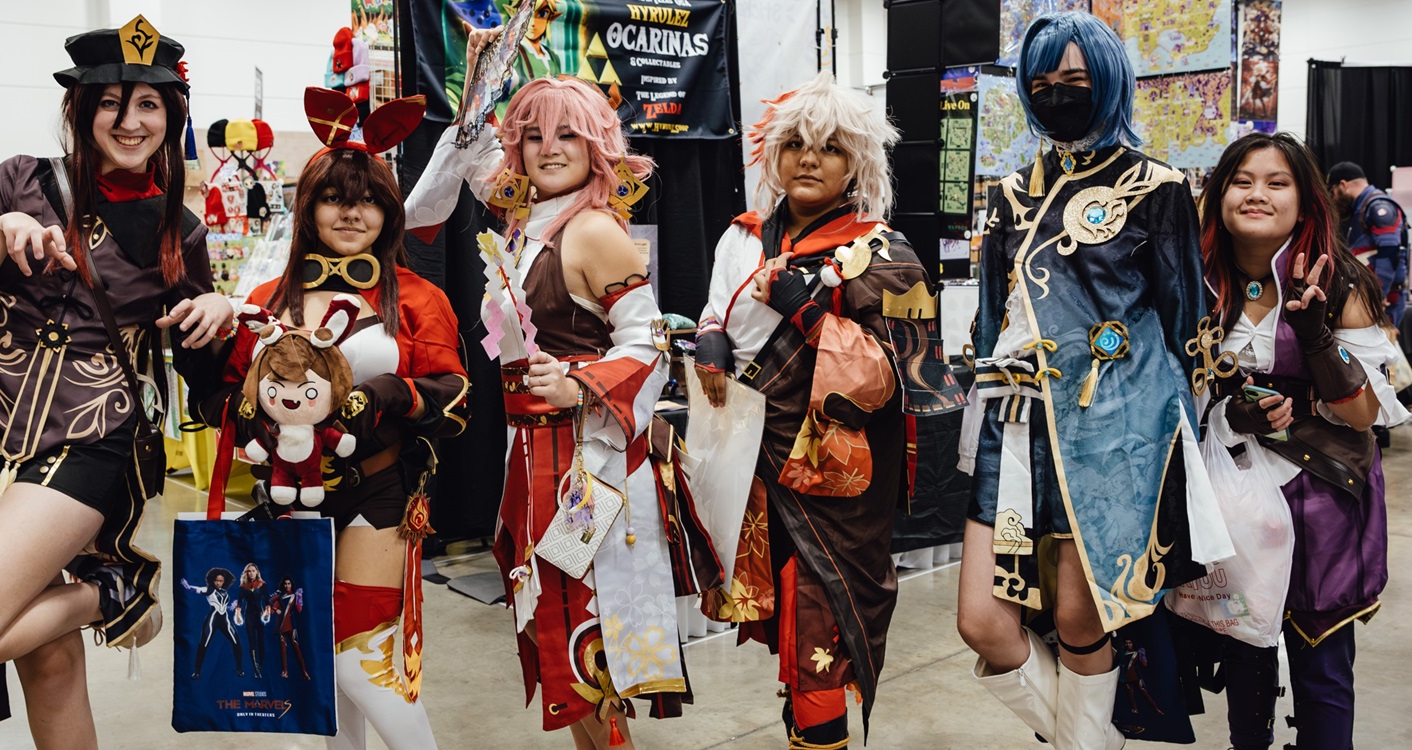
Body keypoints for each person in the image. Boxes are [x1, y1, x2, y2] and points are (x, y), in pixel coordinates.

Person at [0, 16, 230, 749]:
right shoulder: (21, 180)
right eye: (111, 101)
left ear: (171, 115)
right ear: (80, 109)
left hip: (89, 449)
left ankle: (108, 592)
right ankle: (85, 605)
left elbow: (208, 382)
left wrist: (221, 315)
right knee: (49, 663)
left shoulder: (182, 233)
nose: (129, 121)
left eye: (148, 104)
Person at [404, 32, 722, 747]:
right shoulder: (525, 221)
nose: (550, 148)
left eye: (570, 135)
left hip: (590, 461)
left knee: (592, 637)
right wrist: (482, 80)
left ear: (597, 146)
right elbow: (451, 172)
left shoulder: (592, 233)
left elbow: (650, 343)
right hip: (534, 458)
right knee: (558, 633)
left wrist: (581, 382)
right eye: (534, 135)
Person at [954, 12, 1216, 749]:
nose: (1058, 95)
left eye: (1074, 81)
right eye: (1042, 85)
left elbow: (1185, 322)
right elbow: (987, 321)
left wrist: (1179, 448)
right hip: (1015, 427)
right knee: (982, 621)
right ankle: (1095, 740)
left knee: (1079, 615)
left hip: (1115, 429)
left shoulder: (1156, 186)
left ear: (1107, 82)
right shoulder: (1008, 195)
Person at [690, 72, 957, 749]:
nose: (809, 159)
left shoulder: (884, 252)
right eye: (796, 145)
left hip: (833, 480)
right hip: (749, 463)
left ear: (857, 164)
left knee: (822, 630)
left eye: (831, 148)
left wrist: (808, 312)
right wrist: (711, 342)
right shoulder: (744, 237)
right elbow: (714, 308)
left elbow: (898, 375)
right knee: (791, 628)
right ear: (773, 156)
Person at [205, 88, 469, 750]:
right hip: (288, 496)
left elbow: (453, 391)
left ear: (389, 211)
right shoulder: (269, 298)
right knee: (309, 659)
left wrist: (386, 393)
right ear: (308, 208)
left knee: (361, 657)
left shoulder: (415, 296)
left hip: (379, 489)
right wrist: (223, 384)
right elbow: (230, 397)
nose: (352, 212)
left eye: (370, 199)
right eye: (335, 197)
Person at [1187, 132, 1405, 750]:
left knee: (1323, 661)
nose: (1257, 194)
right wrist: (1230, 417)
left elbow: (1364, 415)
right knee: (1246, 657)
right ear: (1220, 194)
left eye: (1277, 182)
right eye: (1242, 180)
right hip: (1229, 493)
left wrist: (1315, 337)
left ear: (1306, 200)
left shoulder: (1344, 281)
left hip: (1323, 491)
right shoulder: (1191, 283)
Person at [1327, 161, 1409, 325]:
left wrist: (1377, 296)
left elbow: (1390, 254)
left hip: (1383, 301)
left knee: (1383, 347)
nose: (1333, 199)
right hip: (1367, 296)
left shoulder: (1378, 207)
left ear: (1343, 185)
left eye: (1332, 192)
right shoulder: (1362, 209)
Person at [181, 568, 245, 679]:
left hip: (224, 620)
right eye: (216, 580)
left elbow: (224, 607)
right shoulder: (210, 590)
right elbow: (199, 589)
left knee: (237, 643)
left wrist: (232, 606)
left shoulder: (225, 592)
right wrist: (189, 587)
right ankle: (197, 672)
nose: (218, 583)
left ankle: (239, 669)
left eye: (220, 581)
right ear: (212, 580)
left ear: (224, 582)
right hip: (212, 620)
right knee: (203, 645)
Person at [235, 562, 271, 678]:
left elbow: (267, 602)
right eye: (249, 571)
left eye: (253, 571)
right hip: (249, 615)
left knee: (261, 641)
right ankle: (256, 670)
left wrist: (267, 612)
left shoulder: (262, 585)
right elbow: (239, 603)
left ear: (257, 572)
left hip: (259, 614)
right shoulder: (242, 586)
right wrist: (237, 613)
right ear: (246, 573)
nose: (251, 573)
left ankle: (259, 666)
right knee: (252, 641)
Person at [272, 576, 311, 680]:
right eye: (285, 584)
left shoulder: (295, 595)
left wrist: (299, 598)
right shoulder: (280, 597)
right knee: (283, 649)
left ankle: (304, 671)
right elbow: (272, 608)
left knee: (297, 649)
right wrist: (275, 609)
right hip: (281, 625)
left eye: (289, 583)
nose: (287, 585)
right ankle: (285, 671)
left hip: (291, 625)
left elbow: (299, 610)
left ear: (291, 585)